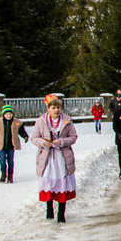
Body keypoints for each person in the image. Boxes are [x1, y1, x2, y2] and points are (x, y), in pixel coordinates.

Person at [32, 95, 77, 223]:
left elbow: (73, 137)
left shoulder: (67, 121)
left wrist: (62, 141)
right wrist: (43, 142)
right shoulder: (41, 121)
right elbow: (34, 138)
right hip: (47, 158)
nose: (56, 110)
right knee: (48, 182)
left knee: (62, 182)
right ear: (48, 108)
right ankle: (49, 208)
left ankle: (61, 213)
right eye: (53, 108)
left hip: (61, 157)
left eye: (58, 107)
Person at [0, 104, 29, 184]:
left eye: (10, 114)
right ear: (3, 114)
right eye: (7, 114)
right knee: (2, 160)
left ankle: (10, 176)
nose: (8, 116)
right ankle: (3, 174)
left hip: (11, 145)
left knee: (10, 161)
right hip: (1, 144)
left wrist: (25, 136)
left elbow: (21, 130)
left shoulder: (16, 122)